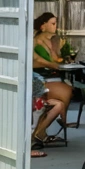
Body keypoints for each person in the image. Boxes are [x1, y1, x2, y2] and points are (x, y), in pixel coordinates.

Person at [31, 12, 72, 152]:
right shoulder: (34, 41)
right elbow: (38, 61)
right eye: (53, 23)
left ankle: (40, 132)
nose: (56, 26)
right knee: (67, 90)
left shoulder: (53, 40)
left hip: (50, 76)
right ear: (43, 26)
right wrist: (54, 65)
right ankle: (44, 129)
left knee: (65, 92)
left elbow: (57, 59)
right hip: (39, 78)